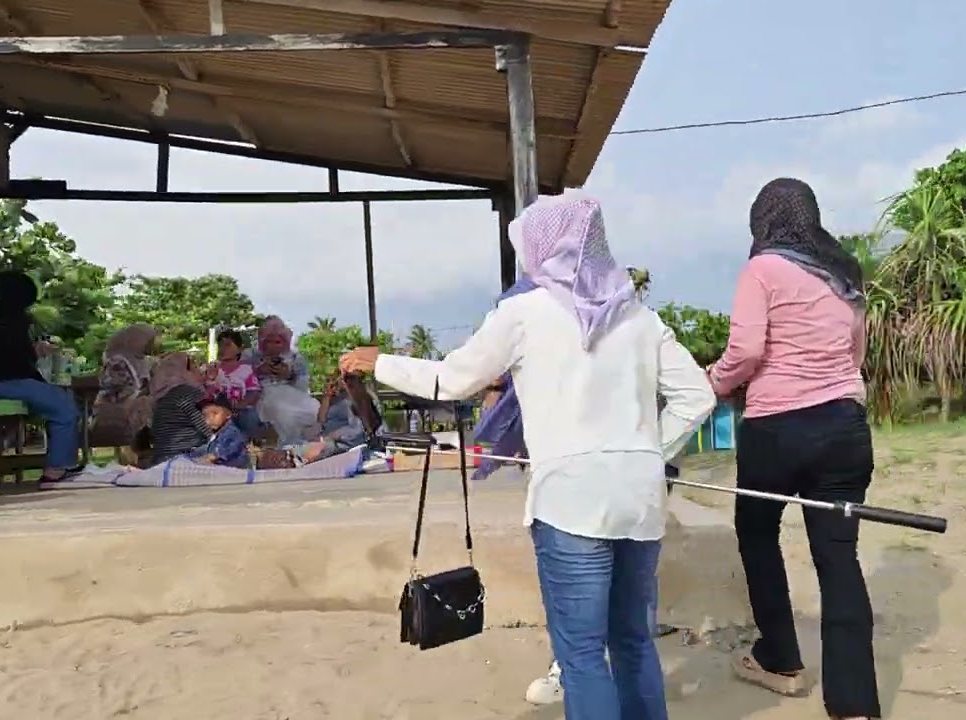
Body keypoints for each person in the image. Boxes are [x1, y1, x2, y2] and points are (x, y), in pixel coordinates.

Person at [341, 191, 714, 720]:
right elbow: (697, 397)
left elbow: (452, 380)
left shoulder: (523, 313)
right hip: (640, 499)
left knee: (582, 655)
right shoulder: (637, 317)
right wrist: (645, 450)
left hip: (570, 503)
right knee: (632, 641)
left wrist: (380, 363)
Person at [707, 178, 878, 720]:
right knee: (839, 558)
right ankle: (855, 706)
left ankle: (781, 660)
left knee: (758, 533)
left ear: (763, 222)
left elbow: (747, 350)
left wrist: (712, 381)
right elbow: (855, 356)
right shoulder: (845, 275)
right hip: (845, 428)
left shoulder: (761, 270)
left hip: (777, 430)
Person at [0, 270, 81, 483]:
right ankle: (57, 469)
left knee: (56, 402)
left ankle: (59, 463)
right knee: (65, 409)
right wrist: (37, 351)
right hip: (6, 383)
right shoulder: (13, 321)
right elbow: (20, 363)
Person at [245, 316, 318, 445]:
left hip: (295, 396)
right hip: (265, 396)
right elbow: (239, 380)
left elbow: (303, 386)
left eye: (278, 339)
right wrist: (258, 372)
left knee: (316, 409)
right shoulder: (250, 356)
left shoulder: (297, 358)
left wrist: (289, 375)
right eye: (269, 339)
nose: (274, 342)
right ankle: (291, 447)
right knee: (286, 414)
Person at [91, 323, 159, 450]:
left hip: (137, 407)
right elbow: (114, 389)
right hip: (115, 409)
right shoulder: (117, 361)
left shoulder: (144, 361)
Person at [293, 375, 374, 463]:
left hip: (342, 441)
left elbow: (358, 428)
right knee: (295, 441)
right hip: (324, 434)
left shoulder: (357, 400)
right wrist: (327, 396)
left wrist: (329, 437)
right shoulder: (336, 398)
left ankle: (299, 457)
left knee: (317, 448)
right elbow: (321, 420)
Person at [149, 352, 212, 465]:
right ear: (185, 372)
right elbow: (207, 427)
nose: (200, 370)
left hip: (162, 458)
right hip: (185, 457)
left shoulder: (163, 398)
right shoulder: (188, 393)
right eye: (195, 367)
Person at [206, 329, 262, 436]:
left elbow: (253, 392)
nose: (222, 349)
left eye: (227, 345)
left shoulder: (246, 370)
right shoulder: (212, 369)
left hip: (239, 412)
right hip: (217, 413)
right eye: (220, 345)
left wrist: (241, 405)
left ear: (239, 349)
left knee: (250, 415)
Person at [190, 393, 250, 468]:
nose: (209, 420)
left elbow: (231, 447)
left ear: (228, 414)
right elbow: (207, 448)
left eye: (215, 413)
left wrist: (214, 456)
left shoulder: (232, 432)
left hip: (235, 473)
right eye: (205, 415)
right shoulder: (215, 434)